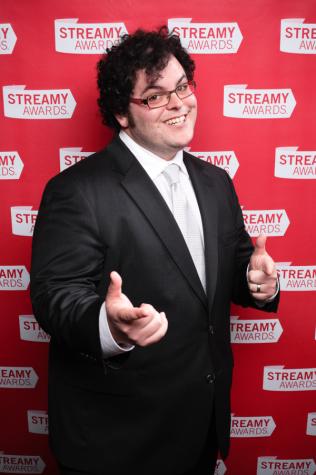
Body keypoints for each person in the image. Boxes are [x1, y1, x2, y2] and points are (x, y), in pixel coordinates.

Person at [30, 27, 279, 475]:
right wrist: (110, 327)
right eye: (156, 96)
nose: (180, 103)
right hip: (118, 439)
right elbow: (56, 296)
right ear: (123, 115)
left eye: (183, 86)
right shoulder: (77, 190)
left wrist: (254, 282)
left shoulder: (215, 182)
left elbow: (232, 268)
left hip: (200, 423)